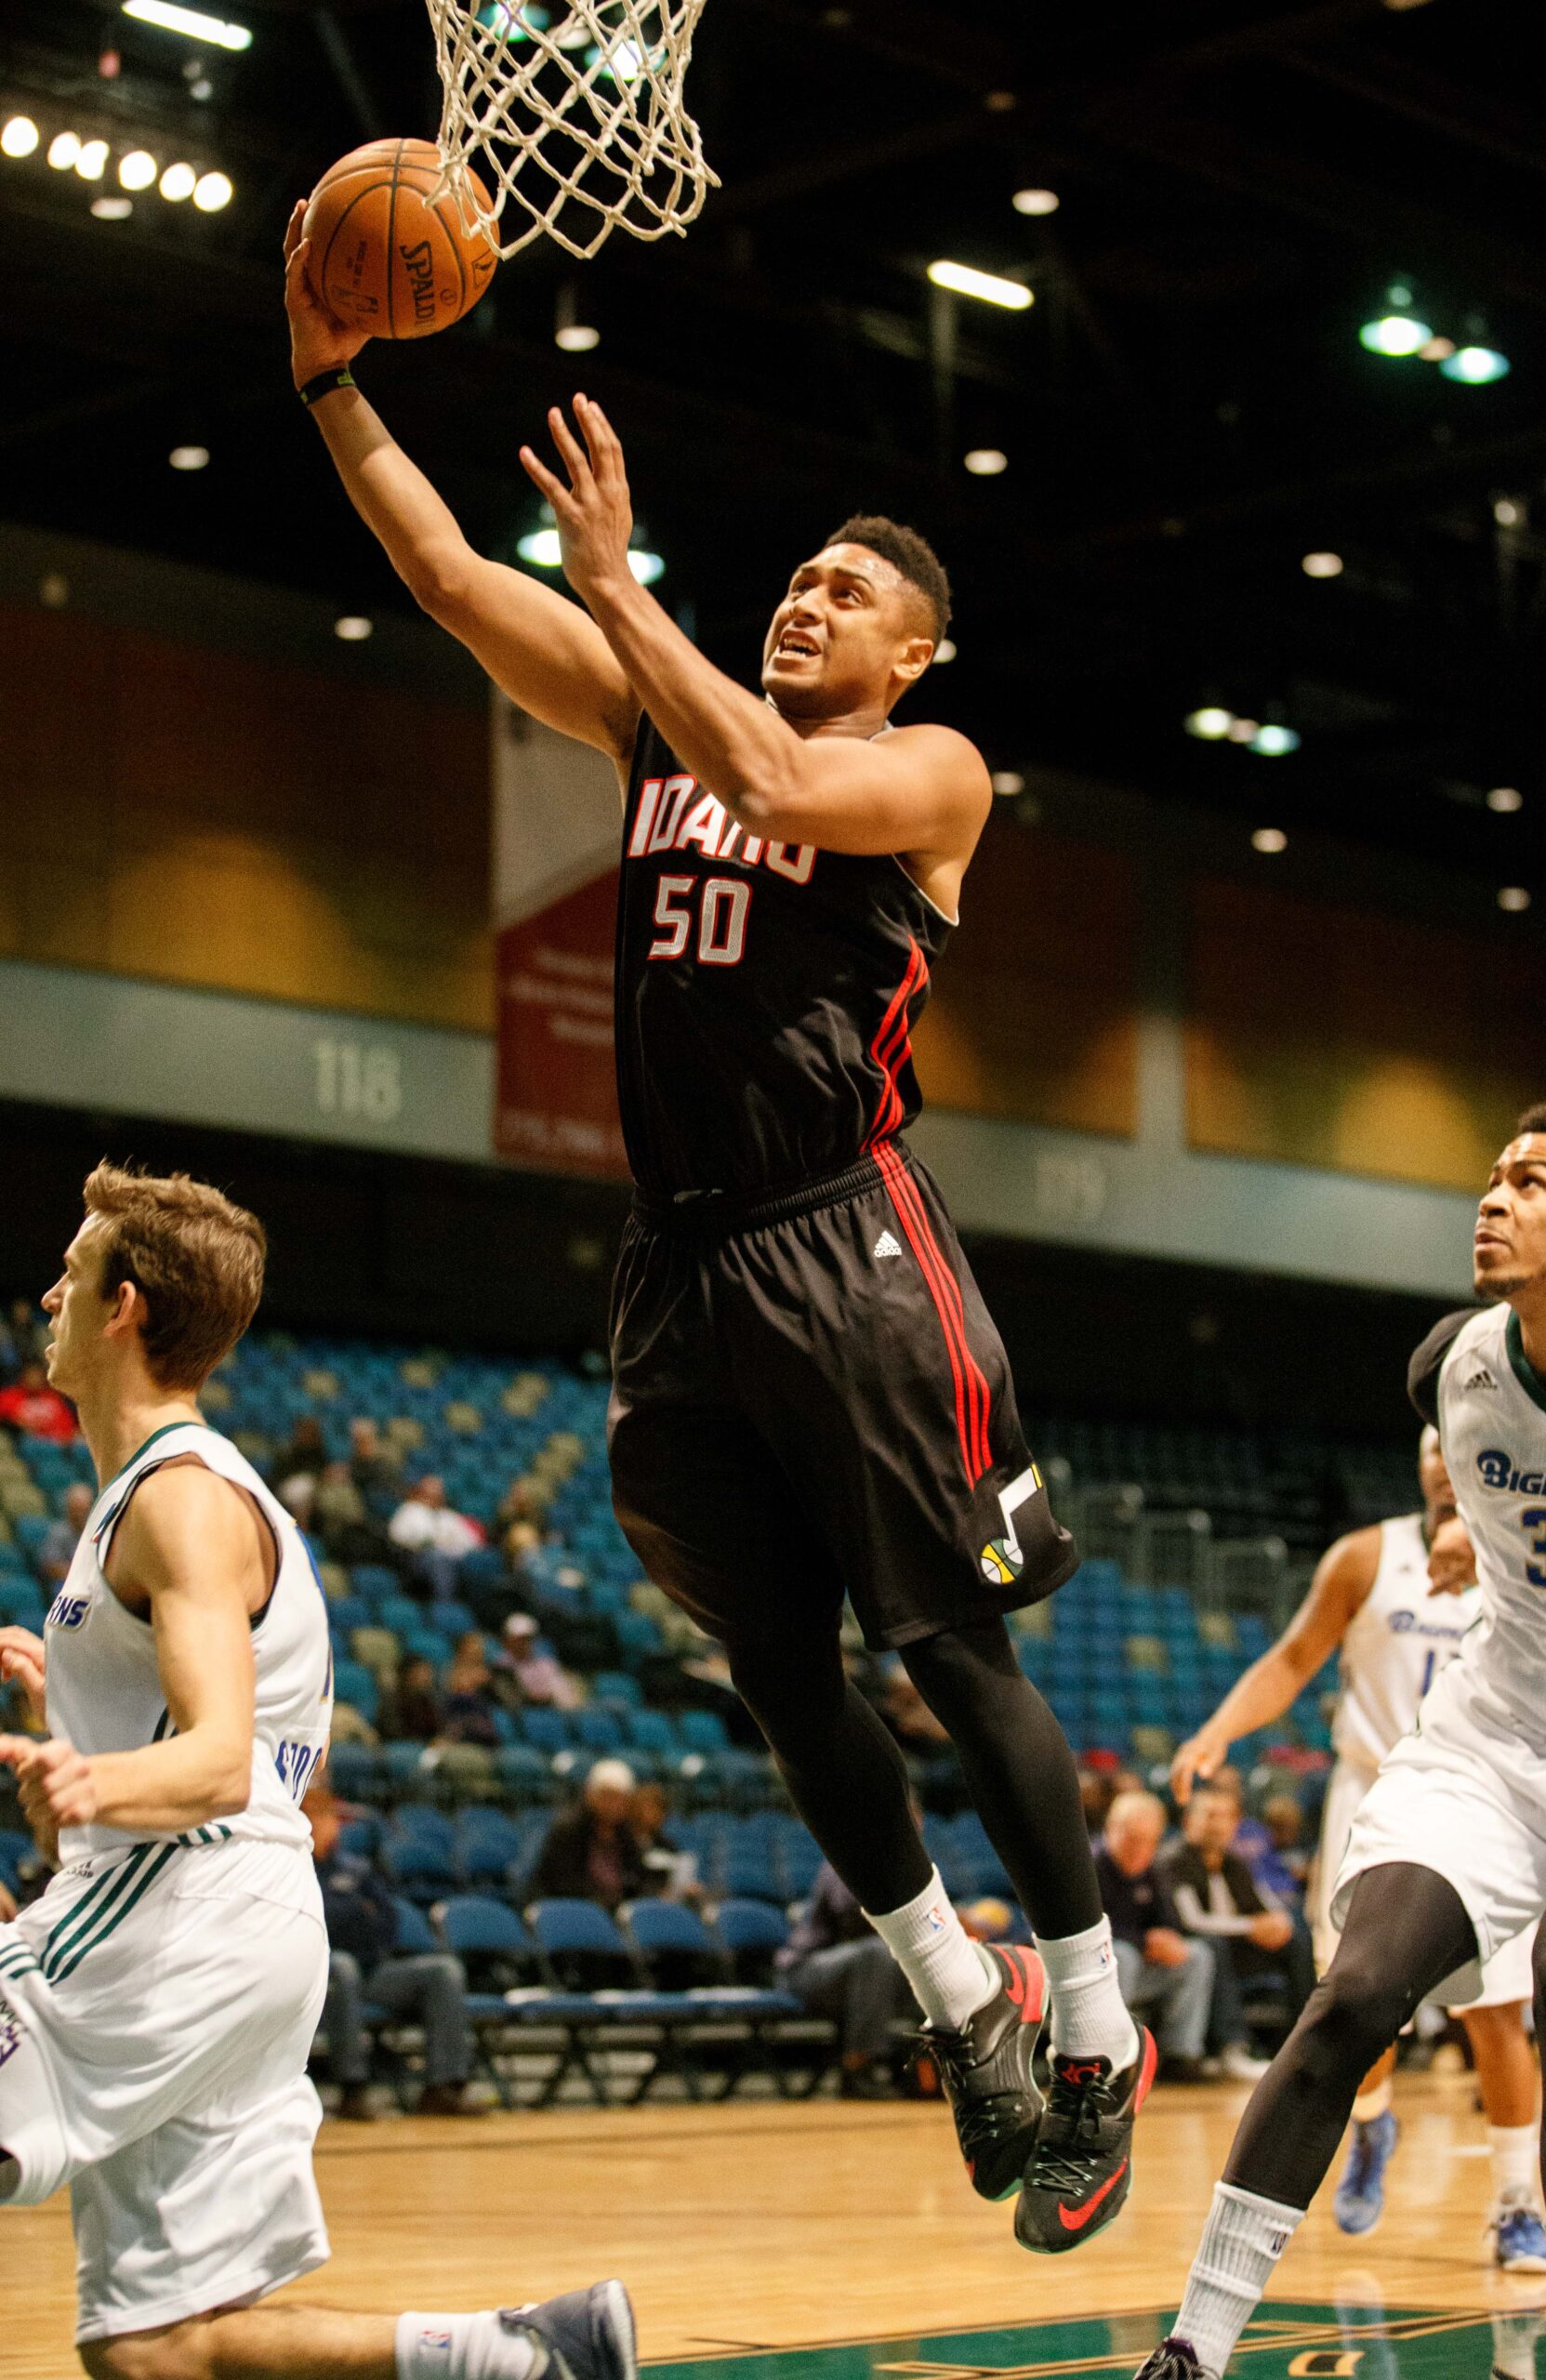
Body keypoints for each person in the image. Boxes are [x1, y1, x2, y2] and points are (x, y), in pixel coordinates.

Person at [287, 202, 1148, 2256]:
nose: (804, 599)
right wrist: (327, 376)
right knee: (774, 1665)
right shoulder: (657, 724)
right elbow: (442, 569)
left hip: (849, 1241)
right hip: (676, 1262)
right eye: (793, 578)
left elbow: (766, 777)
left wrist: (623, 586)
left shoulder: (932, 771)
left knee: (947, 1649)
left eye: (846, 591)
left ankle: (1099, 2035)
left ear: (910, 654)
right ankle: (961, 2002)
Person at [0, 1160, 636, 2380]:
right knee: (153, 2346)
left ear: (124, 1306)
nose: (48, 1296)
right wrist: (75, 1755)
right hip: (235, 1916)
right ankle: (520, 2356)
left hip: (183, 1908)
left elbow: (218, 1762)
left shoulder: (180, 1501)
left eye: (72, 1274)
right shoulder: (190, 1500)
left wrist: (96, 1785)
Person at [1133, 1103, 1546, 2380]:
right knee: (1356, 1993)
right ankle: (1195, 2345)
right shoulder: (1451, 1362)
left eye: (1533, 1180)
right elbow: (1487, 1467)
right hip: (1494, 1738)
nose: (1491, 1199)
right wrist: (1458, 1528)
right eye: (1489, 1178)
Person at [1171, 1424, 1543, 2266]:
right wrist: (1217, 1731)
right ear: (1417, 1467)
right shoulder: (1363, 1558)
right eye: (1430, 1452)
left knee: (1495, 2013)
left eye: (1456, 1451)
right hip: (1376, 1796)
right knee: (1352, 2005)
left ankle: (1516, 2204)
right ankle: (1372, 2124)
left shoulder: (1528, 1556)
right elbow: (1292, 1658)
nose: (1443, 1467)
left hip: (1491, 1801)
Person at [308, 1787, 481, 2120]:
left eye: (329, 1817)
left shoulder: (357, 1867)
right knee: (342, 1965)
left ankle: (443, 2088)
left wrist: (349, 1918)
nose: (326, 1825)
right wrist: (357, 1913)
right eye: (316, 1817)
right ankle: (353, 2090)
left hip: (373, 1970)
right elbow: (316, 1923)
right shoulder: (294, 1868)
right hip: (318, 1976)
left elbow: (388, 1922)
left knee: (443, 1971)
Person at [1160, 1785, 1311, 2072]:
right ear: (1188, 1820)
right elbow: (1192, 1920)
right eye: (1210, 1815)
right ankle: (1234, 2047)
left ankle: (1301, 2042)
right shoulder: (1172, 1860)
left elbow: (1268, 1905)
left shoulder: (1236, 1862)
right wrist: (1251, 1927)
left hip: (1236, 1948)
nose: (1218, 1825)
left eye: (1226, 1817)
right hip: (1190, 1948)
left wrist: (1278, 1924)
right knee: (1212, 1945)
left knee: (1296, 1939)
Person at [1093, 1792, 1217, 2082]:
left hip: (1139, 1967)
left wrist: (1167, 1940)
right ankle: (1110, 2056)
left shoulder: (1154, 1869)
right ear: (1111, 1830)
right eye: (1133, 1839)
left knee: (1196, 1955)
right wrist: (1143, 1942)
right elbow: (1087, 1929)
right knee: (1123, 1955)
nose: (1140, 1849)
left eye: (1149, 1841)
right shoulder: (1089, 1866)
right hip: (1095, 1972)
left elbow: (1169, 1921)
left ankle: (1180, 2055)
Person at [777, 1858, 919, 2096]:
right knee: (875, 1953)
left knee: (916, 1961)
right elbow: (851, 1915)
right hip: (804, 1968)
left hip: (854, 1972)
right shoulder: (843, 1856)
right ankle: (858, 2067)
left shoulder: (905, 1863)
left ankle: (924, 2067)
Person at [530, 1761, 649, 1911]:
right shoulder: (567, 1830)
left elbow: (637, 1877)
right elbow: (561, 1882)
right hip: (570, 1907)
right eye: (608, 1797)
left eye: (621, 1800)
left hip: (615, 1908)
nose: (614, 1806)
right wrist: (604, 1901)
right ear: (590, 1795)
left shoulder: (627, 1835)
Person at [495, 1614, 579, 1712]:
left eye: (527, 1639)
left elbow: (560, 1695)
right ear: (508, 1640)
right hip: (521, 1712)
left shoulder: (546, 1664)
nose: (523, 1643)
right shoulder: (502, 1666)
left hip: (549, 1711)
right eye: (519, 1639)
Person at [0, 1359, 77, 1444]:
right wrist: (16, 1424)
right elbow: (4, 1420)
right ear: (23, 1377)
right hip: (23, 1441)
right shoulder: (9, 1396)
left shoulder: (53, 1398)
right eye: (31, 1376)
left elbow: (67, 1425)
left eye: (38, 1376)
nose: (35, 1379)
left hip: (54, 1442)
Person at [37, 1483, 93, 1590]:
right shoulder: (58, 1533)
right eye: (76, 1510)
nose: (80, 1515)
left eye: (84, 1510)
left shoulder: (94, 1532)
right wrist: (81, 1574)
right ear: (69, 1509)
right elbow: (51, 1566)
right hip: (66, 1584)